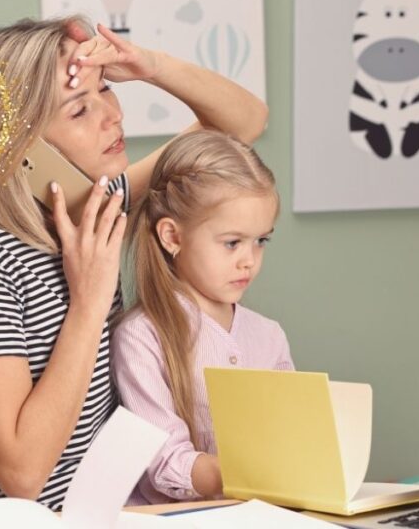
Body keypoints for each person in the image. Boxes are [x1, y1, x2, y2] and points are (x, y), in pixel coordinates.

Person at [0, 16, 268, 510]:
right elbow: (21, 475)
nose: (112, 115)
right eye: (79, 109)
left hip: (117, 513)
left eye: (105, 89)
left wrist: (151, 66)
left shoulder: (97, 210)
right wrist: (88, 302)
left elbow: (243, 123)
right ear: (20, 150)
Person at [112, 129, 295, 505]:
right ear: (172, 237)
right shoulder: (141, 336)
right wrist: (245, 473)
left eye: (261, 240)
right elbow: (163, 461)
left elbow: (288, 436)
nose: (249, 259)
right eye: (232, 242)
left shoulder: (269, 336)